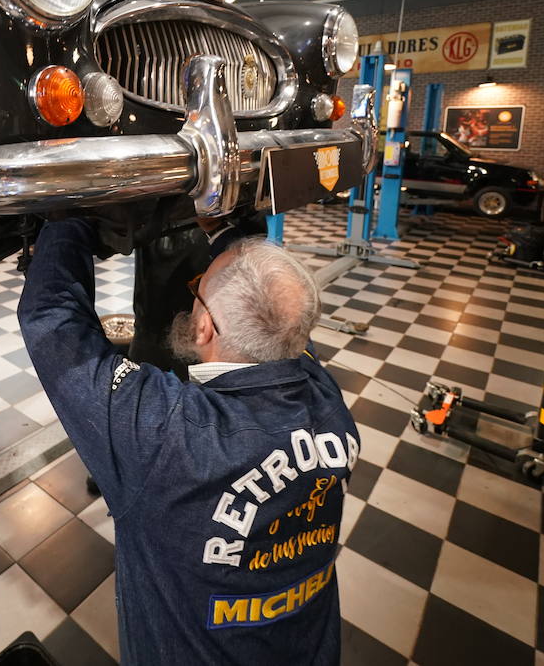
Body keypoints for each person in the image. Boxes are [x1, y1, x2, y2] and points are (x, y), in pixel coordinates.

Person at [19, 217, 358, 665]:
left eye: (196, 288)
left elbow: (51, 319)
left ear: (205, 329)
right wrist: (222, 226)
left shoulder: (168, 435)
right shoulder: (324, 394)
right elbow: (279, 315)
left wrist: (68, 215)